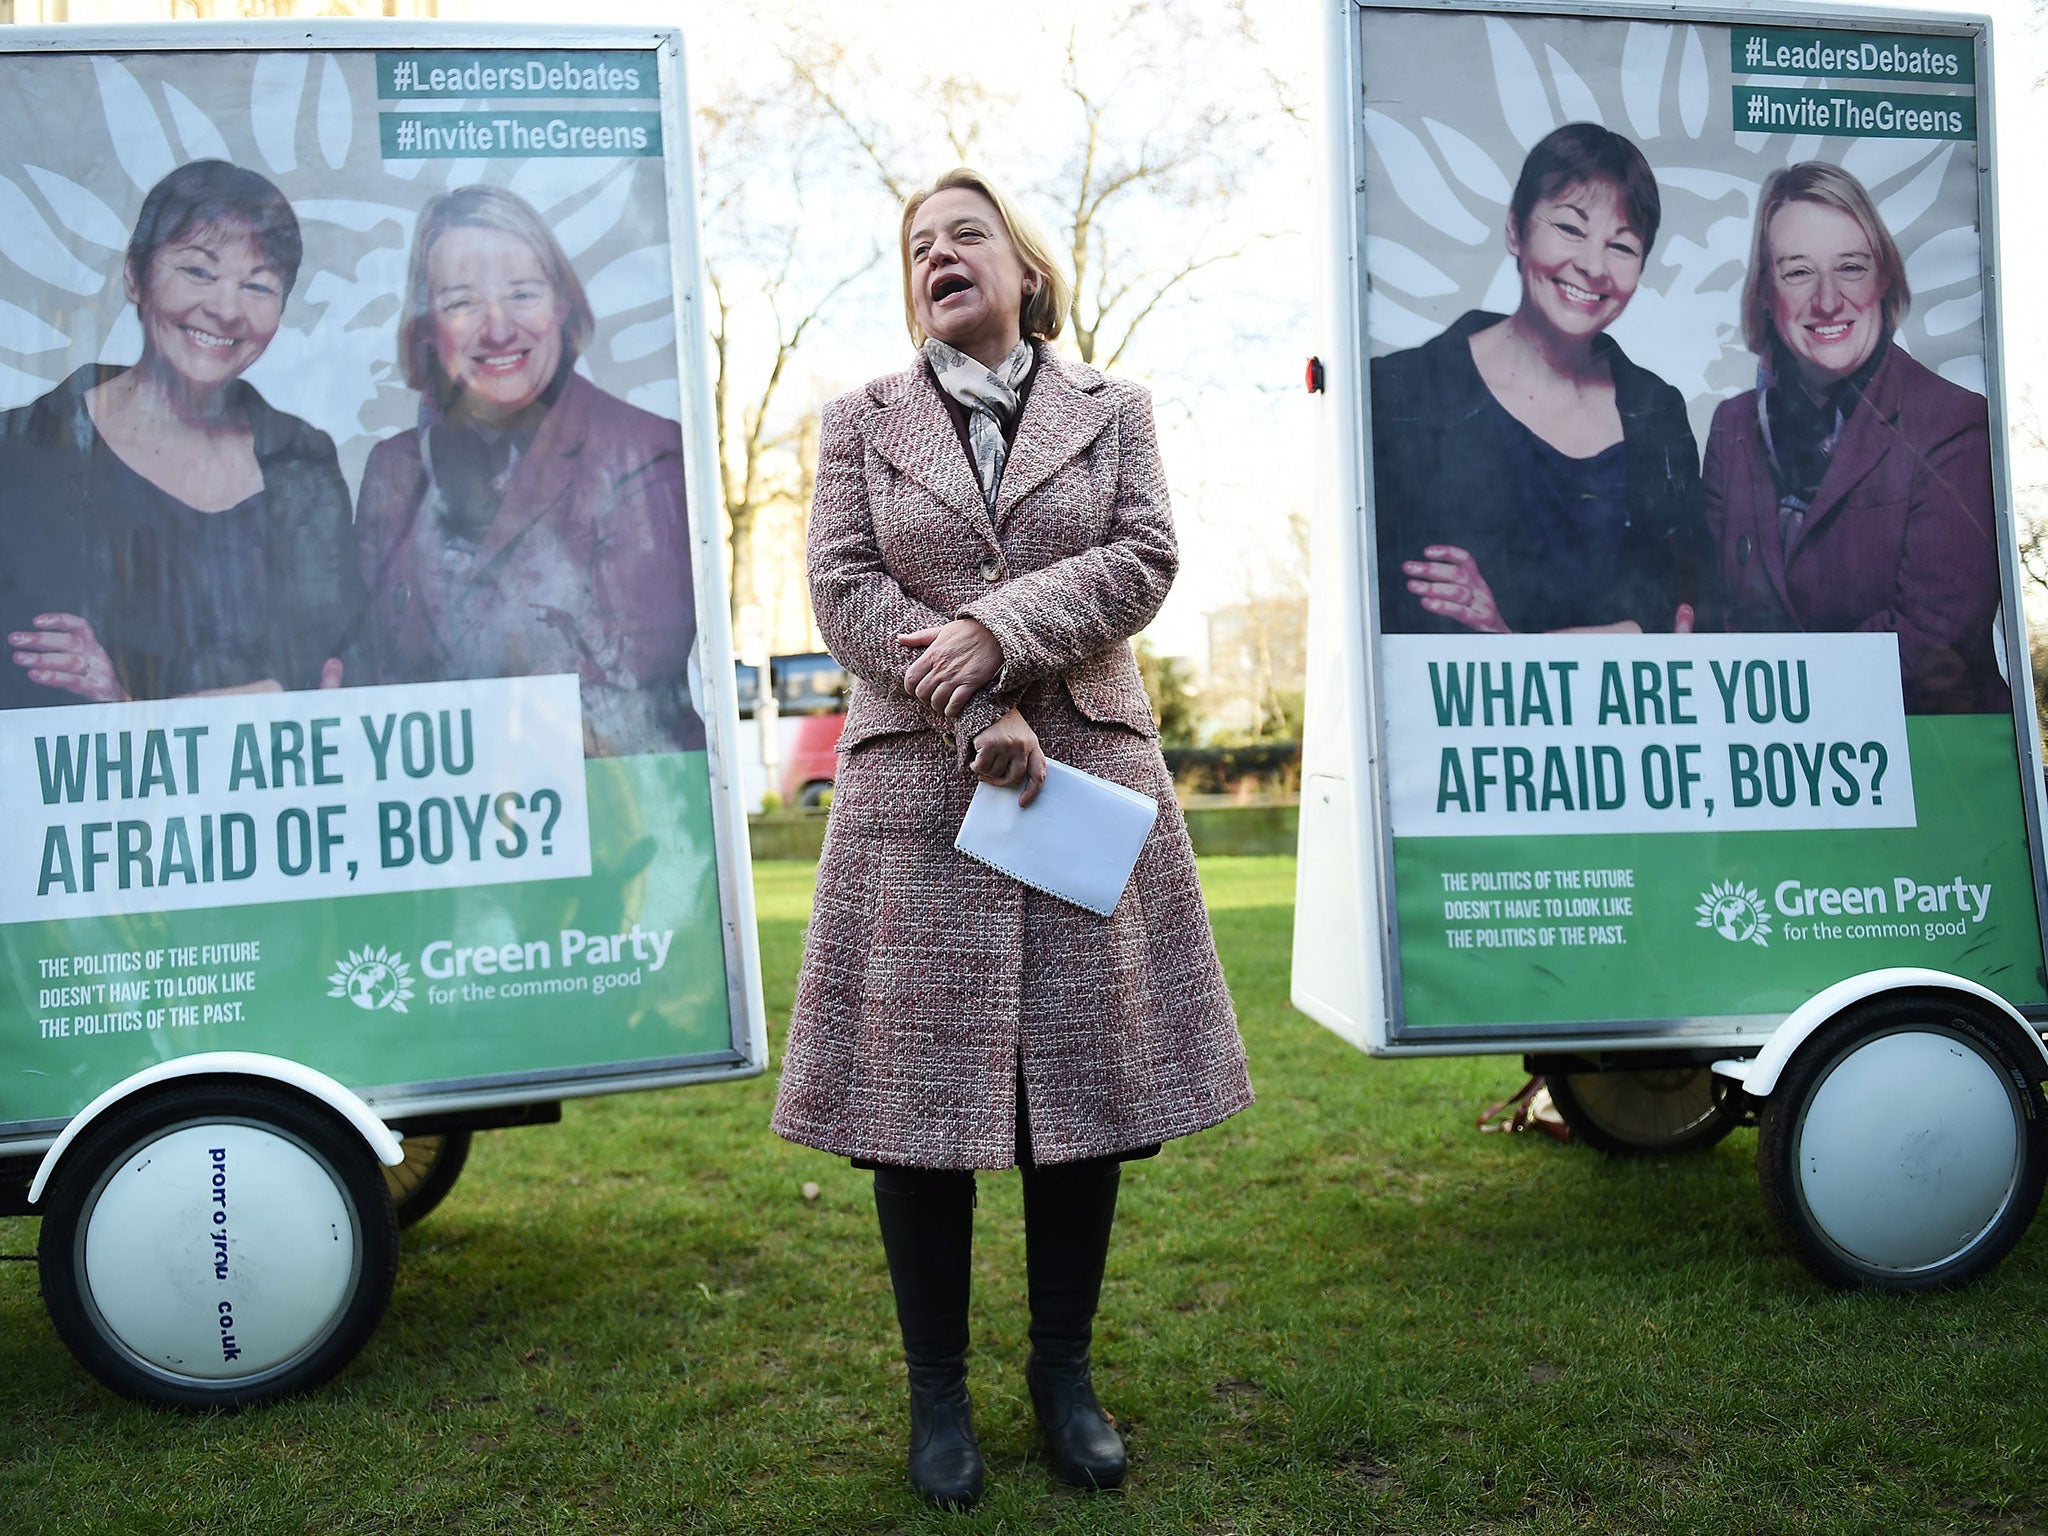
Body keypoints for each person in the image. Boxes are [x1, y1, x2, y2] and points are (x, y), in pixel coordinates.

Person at [770, 167, 1253, 1508]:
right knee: (914, 1101)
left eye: (963, 233)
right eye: (918, 245)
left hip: (1086, 773)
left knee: (1080, 1098)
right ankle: (938, 1400)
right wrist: (972, 700)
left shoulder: (1119, 411)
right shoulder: (859, 421)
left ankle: (1064, 1375)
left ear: (1025, 267)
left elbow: (1145, 559)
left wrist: (1004, 629)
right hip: (918, 796)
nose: (938, 254)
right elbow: (843, 586)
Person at [355, 185, 702, 756]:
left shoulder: (643, 452)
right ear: (426, 326)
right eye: (461, 301)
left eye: (522, 293)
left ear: (562, 304)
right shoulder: (391, 471)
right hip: (446, 822)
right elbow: (367, 672)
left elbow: (624, 682)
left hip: (615, 818)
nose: (497, 328)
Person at [2, 160, 358, 706]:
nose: (225, 308)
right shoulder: (26, 450)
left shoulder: (303, 460)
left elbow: (331, 674)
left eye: (258, 285)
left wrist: (131, 707)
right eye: (198, 271)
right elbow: (36, 677)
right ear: (134, 277)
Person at [1372, 122, 1705, 636]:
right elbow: (1405, 620)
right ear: (1515, 229)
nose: (1593, 266)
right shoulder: (1404, 393)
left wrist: (1510, 642)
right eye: (1570, 229)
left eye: (1622, 247)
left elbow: (1686, 618)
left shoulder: (1657, 410)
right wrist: (1623, 636)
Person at [1702, 162, 2005, 713]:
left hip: (1931, 764)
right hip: (1778, 768)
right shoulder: (1732, 430)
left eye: (1851, 267)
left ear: (1883, 278)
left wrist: (1769, 694)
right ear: (1767, 293)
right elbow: (1712, 620)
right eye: (1797, 272)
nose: (1827, 300)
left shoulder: (1953, 422)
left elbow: (1934, 644)